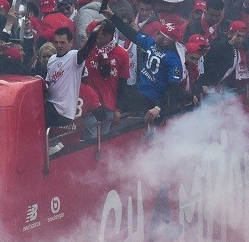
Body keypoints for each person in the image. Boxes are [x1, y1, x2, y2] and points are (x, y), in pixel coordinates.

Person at [106, 16, 185, 123]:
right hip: (139, 88)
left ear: (167, 41)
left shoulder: (174, 60)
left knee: (127, 102)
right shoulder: (152, 43)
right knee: (116, 91)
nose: (156, 34)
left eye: (159, 33)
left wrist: (159, 107)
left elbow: (174, 88)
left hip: (152, 98)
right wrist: (112, 16)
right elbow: (131, 33)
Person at [44, 26, 101, 154]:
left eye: (62, 42)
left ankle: (52, 143)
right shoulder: (52, 60)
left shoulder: (74, 57)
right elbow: (48, 82)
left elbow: (86, 50)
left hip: (63, 110)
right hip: (52, 105)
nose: (59, 45)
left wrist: (94, 34)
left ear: (71, 43)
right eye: (56, 42)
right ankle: (47, 143)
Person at [81, 20, 131, 140]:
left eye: (98, 36)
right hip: (90, 106)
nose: (94, 39)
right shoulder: (88, 48)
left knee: (103, 142)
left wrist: (118, 109)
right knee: (90, 141)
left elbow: (122, 84)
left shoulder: (122, 54)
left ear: (108, 36)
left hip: (109, 106)